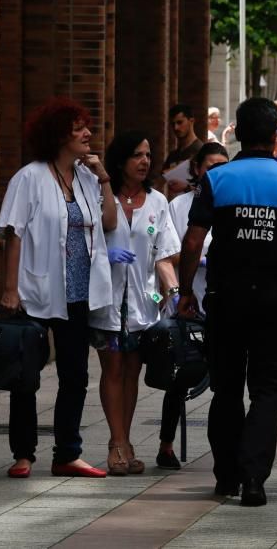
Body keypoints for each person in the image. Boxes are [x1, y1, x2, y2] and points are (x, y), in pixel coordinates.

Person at [178, 97, 277, 507]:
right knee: (267, 390)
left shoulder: (218, 179)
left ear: (239, 133)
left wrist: (185, 290)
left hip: (224, 296)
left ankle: (226, 475)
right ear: (276, 135)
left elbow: (193, 240)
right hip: (272, 298)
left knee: (226, 389)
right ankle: (254, 479)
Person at [0, 96, 116, 479]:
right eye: (78, 128)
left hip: (78, 293)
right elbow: (13, 235)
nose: (88, 134)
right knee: (27, 377)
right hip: (35, 292)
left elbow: (110, 222)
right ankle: (23, 453)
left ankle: (67, 452)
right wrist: (9, 289)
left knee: (75, 376)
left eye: (87, 126)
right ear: (58, 134)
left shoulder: (85, 178)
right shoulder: (29, 177)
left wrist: (104, 177)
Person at [90, 130, 183, 476]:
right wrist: (105, 253)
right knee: (112, 369)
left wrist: (169, 295)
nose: (144, 161)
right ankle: (116, 443)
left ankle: (126, 442)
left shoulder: (157, 201)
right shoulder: (101, 196)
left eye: (147, 155)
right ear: (121, 160)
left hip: (144, 304)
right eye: (136, 155)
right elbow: (84, 241)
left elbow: (163, 255)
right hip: (106, 300)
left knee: (132, 371)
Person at [157, 141, 230, 470]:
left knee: (224, 381)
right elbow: (170, 250)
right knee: (179, 375)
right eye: (210, 165)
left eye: (222, 165)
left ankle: (224, 454)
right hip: (187, 304)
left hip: (223, 304)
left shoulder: (232, 202)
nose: (216, 171)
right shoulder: (180, 205)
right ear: (197, 169)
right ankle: (166, 444)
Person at [164, 104, 204, 196]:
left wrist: (187, 187)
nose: (176, 128)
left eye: (180, 122)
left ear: (191, 121)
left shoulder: (202, 151)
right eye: (173, 124)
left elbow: (210, 189)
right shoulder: (172, 155)